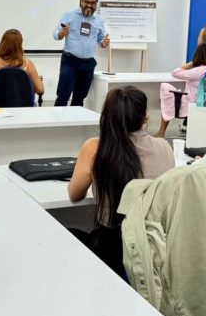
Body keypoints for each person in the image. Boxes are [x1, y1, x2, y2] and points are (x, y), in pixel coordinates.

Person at [67, 86, 174, 274]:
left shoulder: (95, 147)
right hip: (156, 249)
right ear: (146, 118)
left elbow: (75, 194)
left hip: (112, 251)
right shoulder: (165, 147)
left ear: (106, 117)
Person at [53, 0, 110, 106]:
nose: (89, 5)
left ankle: (74, 123)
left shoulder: (99, 20)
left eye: (92, 3)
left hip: (88, 64)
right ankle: (58, 123)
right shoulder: (70, 15)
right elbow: (55, 34)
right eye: (86, 2)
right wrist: (62, 33)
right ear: (81, 1)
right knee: (63, 95)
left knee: (79, 98)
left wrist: (104, 43)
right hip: (70, 61)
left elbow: (100, 39)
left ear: (96, 4)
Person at [154, 43, 206, 138]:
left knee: (166, 91)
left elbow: (175, 73)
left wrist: (192, 63)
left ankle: (161, 133)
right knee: (170, 96)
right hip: (204, 103)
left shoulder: (199, 70)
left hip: (190, 104)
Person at [0, 29, 44, 95]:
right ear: (20, 45)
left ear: (2, 42)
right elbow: (40, 89)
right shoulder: (28, 63)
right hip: (22, 104)